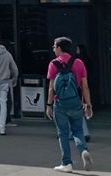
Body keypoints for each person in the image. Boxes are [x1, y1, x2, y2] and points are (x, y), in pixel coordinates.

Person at [46, 37, 93, 172]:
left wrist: (49, 105)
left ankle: (67, 163)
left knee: (63, 133)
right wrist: (88, 105)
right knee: (78, 130)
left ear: (60, 48)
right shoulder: (78, 63)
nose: (53, 49)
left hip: (60, 104)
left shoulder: (53, 64)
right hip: (75, 102)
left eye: (54, 46)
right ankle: (83, 150)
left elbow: (51, 88)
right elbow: (85, 86)